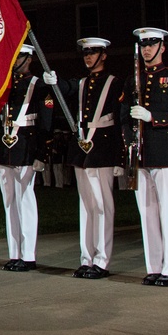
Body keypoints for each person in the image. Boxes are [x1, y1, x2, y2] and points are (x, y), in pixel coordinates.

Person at [120, 27, 168, 288]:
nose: (147, 49)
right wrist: (129, 143)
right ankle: (154, 267)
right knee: (147, 213)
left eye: (152, 44)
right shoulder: (132, 81)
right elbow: (123, 116)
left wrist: (153, 117)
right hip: (141, 154)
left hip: (166, 153)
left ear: (163, 46)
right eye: (143, 44)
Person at [48, 37, 124, 280]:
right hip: (83, 148)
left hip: (103, 147)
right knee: (87, 206)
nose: (88, 57)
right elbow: (66, 88)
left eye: (93, 53)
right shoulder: (81, 83)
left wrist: (121, 156)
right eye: (85, 53)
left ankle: (102, 260)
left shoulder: (115, 83)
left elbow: (120, 122)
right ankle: (86, 258)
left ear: (104, 55)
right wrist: (55, 82)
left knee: (103, 205)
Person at [0, 43, 55, 272]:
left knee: (25, 201)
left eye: (18, 56)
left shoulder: (39, 85)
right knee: (9, 203)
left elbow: (46, 122)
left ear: (28, 59)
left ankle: (28, 255)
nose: (14, 60)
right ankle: (14, 253)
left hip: (27, 146)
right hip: (6, 147)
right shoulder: (6, 83)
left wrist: (42, 153)